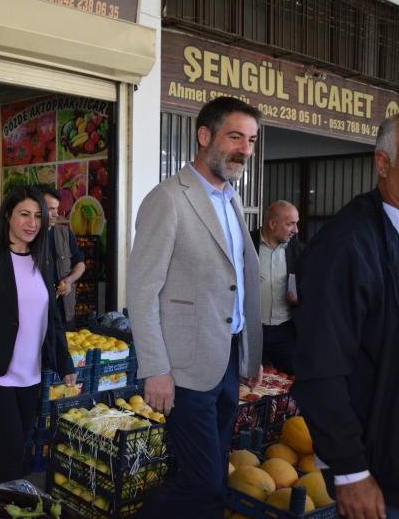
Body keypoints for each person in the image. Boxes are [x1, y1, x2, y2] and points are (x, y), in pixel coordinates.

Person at [126, 96, 263, 517]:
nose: (245, 149)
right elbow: (142, 291)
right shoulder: (167, 199)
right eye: (235, 136)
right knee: (205, 485)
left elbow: (235, 282)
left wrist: (249, 353)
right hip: (182, 371)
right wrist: (156, 369)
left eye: (252, 140)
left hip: (225, 361)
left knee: (210, 477)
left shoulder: (232, 200)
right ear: (205, 136)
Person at [292, 114, 399, 519]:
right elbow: (322, 368)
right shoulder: (346, 246)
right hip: (380, 474)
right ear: (383, 164)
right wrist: (351, 471)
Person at [0, 186, 77, 483]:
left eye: (38, 216)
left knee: (16, 446)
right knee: (12, 446)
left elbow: (52, 316)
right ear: (8, 215)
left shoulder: (43, 256)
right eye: (24, 214)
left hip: (31, 373)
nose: (32, 223)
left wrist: (65, 363)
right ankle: (6, 505)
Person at [250, 200, 305, 375]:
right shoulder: (246, 245)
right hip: (250, 331)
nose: (296, 230)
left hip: (285, 331)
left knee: (293, 379)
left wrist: (300, 298)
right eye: (291, 224)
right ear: (273, 224)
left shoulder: (300, 251)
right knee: (249, 385)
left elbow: (314, 288)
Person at [40, 186, 86, 324]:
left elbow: (80, 264)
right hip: (39, 309)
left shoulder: (65, 234)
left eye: (57, 208)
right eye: (50, 209)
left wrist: (70, 280)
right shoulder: (30, 238)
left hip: (63, 308)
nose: (56, 214)